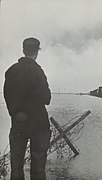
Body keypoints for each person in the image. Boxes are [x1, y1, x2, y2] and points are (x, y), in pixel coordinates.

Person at [3, 37, 51, 180]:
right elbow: (47, 99)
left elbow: (7, 95)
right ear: (37, 52)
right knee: (38, 170)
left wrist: (16, 113)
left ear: (23, 50)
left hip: (19, 122)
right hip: (39, 124)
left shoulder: (11, 71)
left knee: (16, 168)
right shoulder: (38, 72)